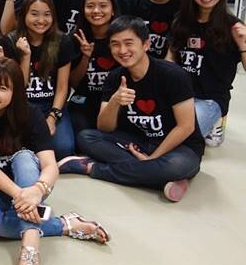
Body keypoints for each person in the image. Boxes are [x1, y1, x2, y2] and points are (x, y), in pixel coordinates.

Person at [0, 59, 108, 265]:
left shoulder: (30, 114)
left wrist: (37, 191)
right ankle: (65, 225)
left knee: (24, 158)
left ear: (16, 92)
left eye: (3, 88)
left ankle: (30, 250)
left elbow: (49, 165)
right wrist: (22, 197)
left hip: (30, 181)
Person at [59, 16, 205, 203]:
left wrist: (153, 158)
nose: (122, 51)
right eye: (115, 45)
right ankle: (160, 179)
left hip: (179, 147)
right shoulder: (115, 77)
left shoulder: (173, 75)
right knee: (87, 137)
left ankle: (92, 168)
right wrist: (114, 101)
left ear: (146, 44)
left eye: (129, 43)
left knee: (176, 166)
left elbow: (186, 127)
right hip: (138, 142)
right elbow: (104, 127)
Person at [167, 0, 246, 147]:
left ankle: (216, 121)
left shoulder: (233, 26)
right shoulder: (181, 20)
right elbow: (170, 56)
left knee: (181, 140)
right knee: (154, 129)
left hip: (210, 99)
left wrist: (243, 44)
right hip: (179, 94)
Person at [9, 0, 79, 158]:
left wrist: (52, 117)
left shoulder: (63, 41)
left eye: (47, 14)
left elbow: (62, 87)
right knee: (16, 145)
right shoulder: (12, 40)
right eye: (34, 14)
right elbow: (19, 88)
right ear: (24, 15)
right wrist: (25, 57)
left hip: (50, 106)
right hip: (22, 105)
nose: (41, 20)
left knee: (63, 148)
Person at [67, 0, 120, 136]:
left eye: (103, 6)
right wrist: (85, 57)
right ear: (83, 10)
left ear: (113, 10)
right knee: (82, 134)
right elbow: (73, 83)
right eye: (90, 6)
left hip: (115, 101)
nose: (96, 11)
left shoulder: (122, 38)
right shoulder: (75, 38)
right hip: (84, 100)